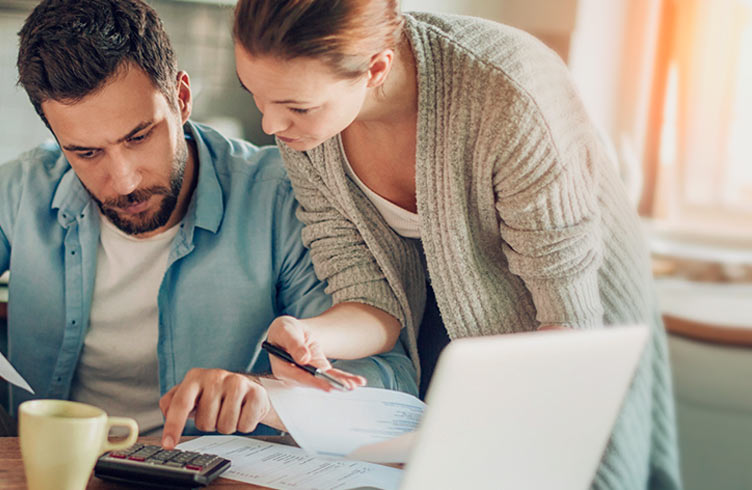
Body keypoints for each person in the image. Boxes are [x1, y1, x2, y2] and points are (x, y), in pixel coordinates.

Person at [0, 0, 415, 448]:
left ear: (181, 98)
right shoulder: (19, 189)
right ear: (56, 138)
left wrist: (269, 396)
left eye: (139, 136)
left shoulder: (281, 196)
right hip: (41, 464)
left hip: (204, 471)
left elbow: (386, 378)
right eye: (86, 153)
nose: (123, 179)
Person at [229, 1, 680, 488]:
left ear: (376, 68)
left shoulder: (508, 91)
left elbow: (568, 324)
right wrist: (311, 336)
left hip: (575, 311)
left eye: (297, 107)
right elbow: (370, 297)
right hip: (446, 309)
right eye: (255, 94)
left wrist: (498, 421)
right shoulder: (307, 134)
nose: (270, 126)